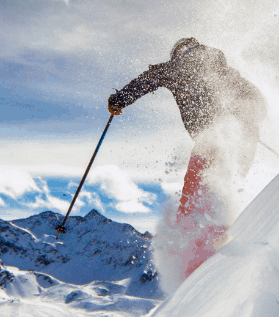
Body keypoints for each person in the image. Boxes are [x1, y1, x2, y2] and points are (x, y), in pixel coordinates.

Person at [107, 37, 266, 217]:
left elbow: (149, 78)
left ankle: (190, 222)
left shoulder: (176, 67)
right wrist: (245, 118)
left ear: (178, 53)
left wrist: (119, 100)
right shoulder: (226, 71)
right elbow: (257, 100)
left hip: (213, 140)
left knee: (196, 190)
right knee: (226, 187)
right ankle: (224, 220)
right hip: (244, 140)